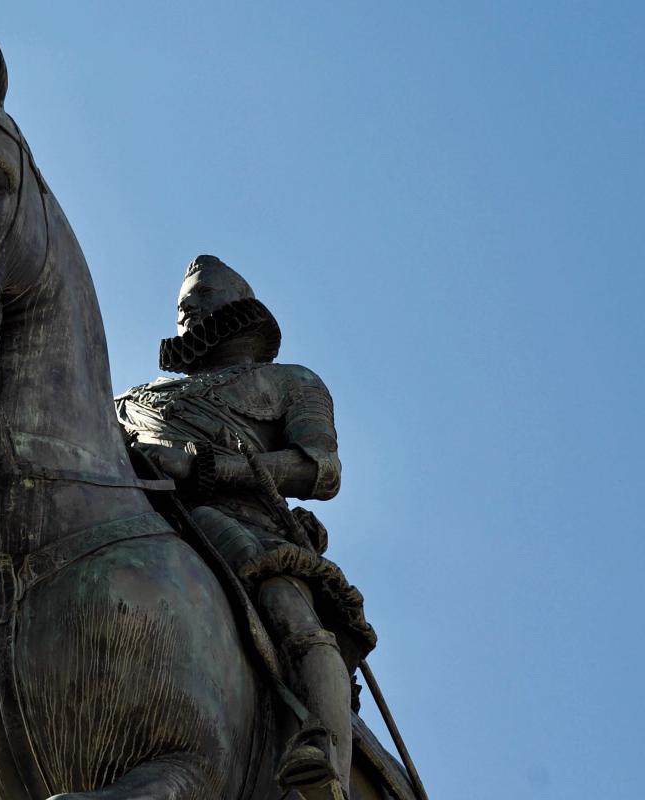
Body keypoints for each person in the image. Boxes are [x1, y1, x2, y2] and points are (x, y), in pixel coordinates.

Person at [116, 255, 376, 800]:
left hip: (246, 525)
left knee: (289, 609)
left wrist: (208, 468)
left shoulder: (291, 382)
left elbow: (320, 469)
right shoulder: (134, 400)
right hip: (139, 524)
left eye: (196, 303)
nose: (184, 315)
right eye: (181, 308)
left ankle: (320, 747)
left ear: (235, 309)